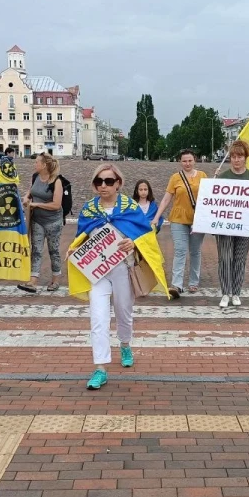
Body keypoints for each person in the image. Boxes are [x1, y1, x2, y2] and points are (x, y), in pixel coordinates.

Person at [68, 164, 167, 390]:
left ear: (118, 184)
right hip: (97, 273)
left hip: (123, 269)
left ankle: (124, 343)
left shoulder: (130, 207)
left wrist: (133, 242)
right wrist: (75, 249)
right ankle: (100, 368)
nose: (103, 185)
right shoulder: (89, 209)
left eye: (108, 181)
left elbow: (146, 236)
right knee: (98, 320)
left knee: (124, 312)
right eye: (99, 181)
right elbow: (82, 237)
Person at [152, 149, 207, 298]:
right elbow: (166, 199)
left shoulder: (203, 176)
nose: (187, 163)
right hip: (178, 219)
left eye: (190, 160)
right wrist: (157, 217)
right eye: (184, 161)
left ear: (194, 160)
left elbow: (209, 198)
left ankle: (194, 282)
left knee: (195, 251)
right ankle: (177, 284)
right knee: (180, 250)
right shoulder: (175, 178)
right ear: (180, 162)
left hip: (197, 220)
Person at [212, 140, 249, 308]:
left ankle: (236, 293)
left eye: (239, 156)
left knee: (239, 259)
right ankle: (225, 292)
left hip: (245, 225)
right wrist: (213, 182)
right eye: (233, 156)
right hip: (225, 226)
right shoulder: (223, 176)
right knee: (225, 259)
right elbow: (214, 201)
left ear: (245, 157)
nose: (236, 160)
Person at [19, 153, 65, 293]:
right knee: (36, 250)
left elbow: (56, 205)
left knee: (54, 250)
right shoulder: (35, 176)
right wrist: (27, 197)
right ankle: (33, 281)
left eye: (37, 162)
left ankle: (56, 279)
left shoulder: (56, 181)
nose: (35, 164)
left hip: (53, 221)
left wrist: (35, 205)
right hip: (37, 220)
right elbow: (31, 190)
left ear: (44, 165)